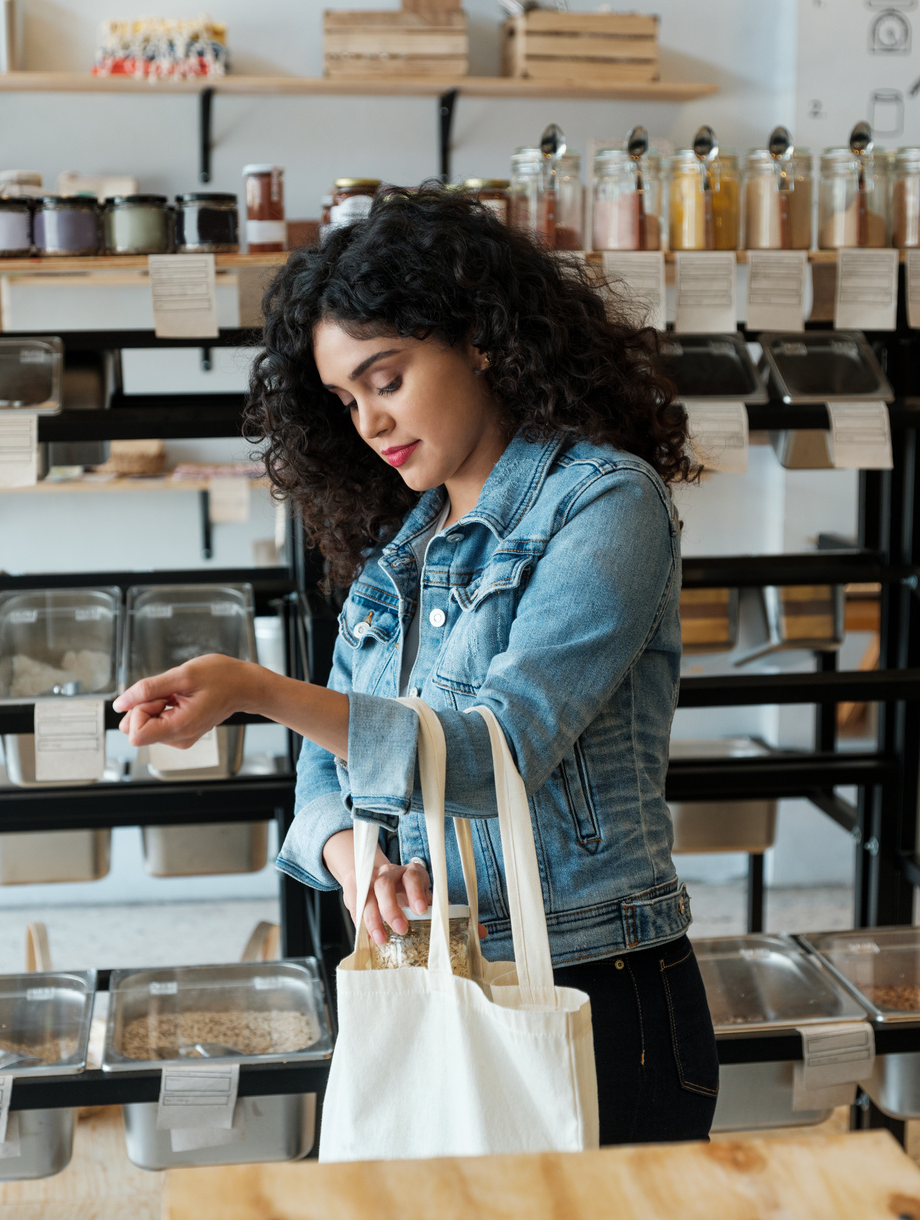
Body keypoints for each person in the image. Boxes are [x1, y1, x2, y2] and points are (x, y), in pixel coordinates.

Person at [114, 186, 718, 1144]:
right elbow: (326, 780)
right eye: (346, 400)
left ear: (479, 337)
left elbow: (493, 754)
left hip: (595, 987)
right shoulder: (398, 559)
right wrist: (365, 866)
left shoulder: (608, 506)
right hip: (433, 974)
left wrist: (258, 691)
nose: (368, 423)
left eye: (385, 379)